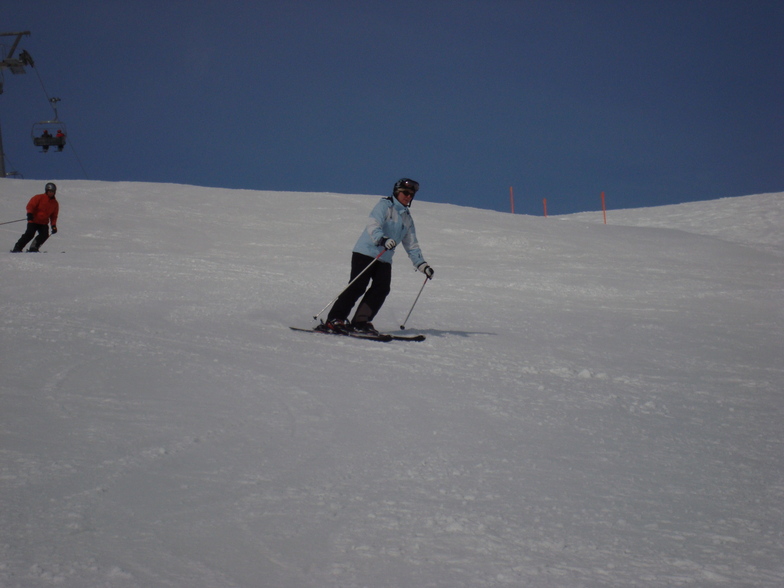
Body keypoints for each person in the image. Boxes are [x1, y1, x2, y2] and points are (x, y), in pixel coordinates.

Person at [318, 178, 434, 335]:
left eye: (411, 194)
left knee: (382, 288)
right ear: (397, 192)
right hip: (366, 252)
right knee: (358, 286)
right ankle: (335, 319)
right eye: (405, 193)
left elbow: (411, 245)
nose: (408, 196)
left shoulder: (407, 218)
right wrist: (382, 239)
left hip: (384, 258)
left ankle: (360, 321)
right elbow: (373, 224)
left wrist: (422, 265)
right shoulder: (385, 205)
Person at [11, 182, 59, 252]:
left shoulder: (55, 203)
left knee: (44, 235)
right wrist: (30, 214)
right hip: (33, 220)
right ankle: (18, 247)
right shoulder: (39, 197)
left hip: (43, 223)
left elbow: (54, 216)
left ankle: (34, 247)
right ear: (46, 191)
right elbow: (31, 206)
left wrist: (53, 225)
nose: (51, 193)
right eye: (50, 191)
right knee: (29, 234)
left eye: (53, 192)